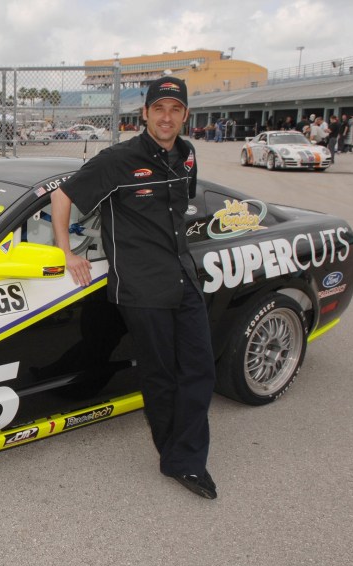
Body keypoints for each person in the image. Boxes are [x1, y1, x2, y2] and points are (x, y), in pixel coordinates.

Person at [50, 76, 217, 500]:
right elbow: (62, 197)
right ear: (144, 113)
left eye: (175, 110)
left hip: (184, 277)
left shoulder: (187, 155)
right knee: (161, 377)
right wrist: (67, 252)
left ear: (184, 116)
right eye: (158, 109)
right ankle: (179, 460)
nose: (166, 117)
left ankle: (188, 451)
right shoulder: (118, 159)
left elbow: (178, 214)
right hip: (142, 288)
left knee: (200, 370)